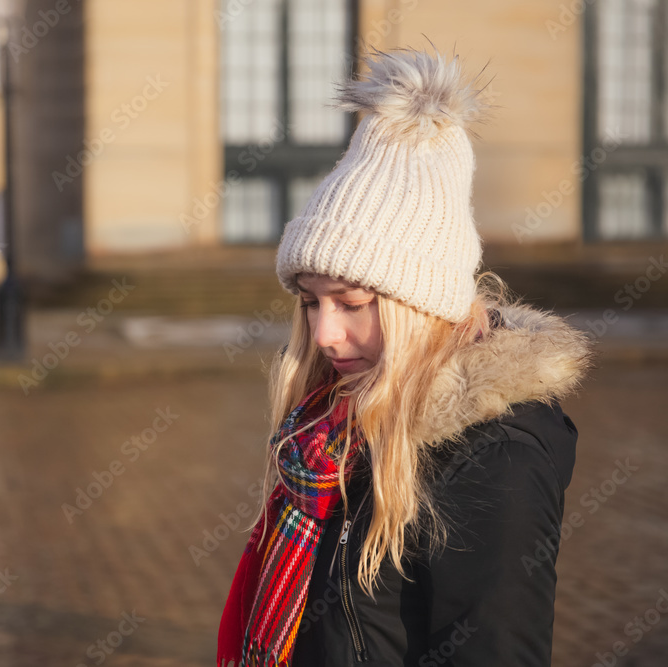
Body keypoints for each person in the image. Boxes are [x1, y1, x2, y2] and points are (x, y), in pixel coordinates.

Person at [217, 47, 594, 667]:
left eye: (353, 303)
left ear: (419, 304)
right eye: (311, 304)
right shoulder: (335, 429)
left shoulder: (494, 459)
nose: (326, 334)